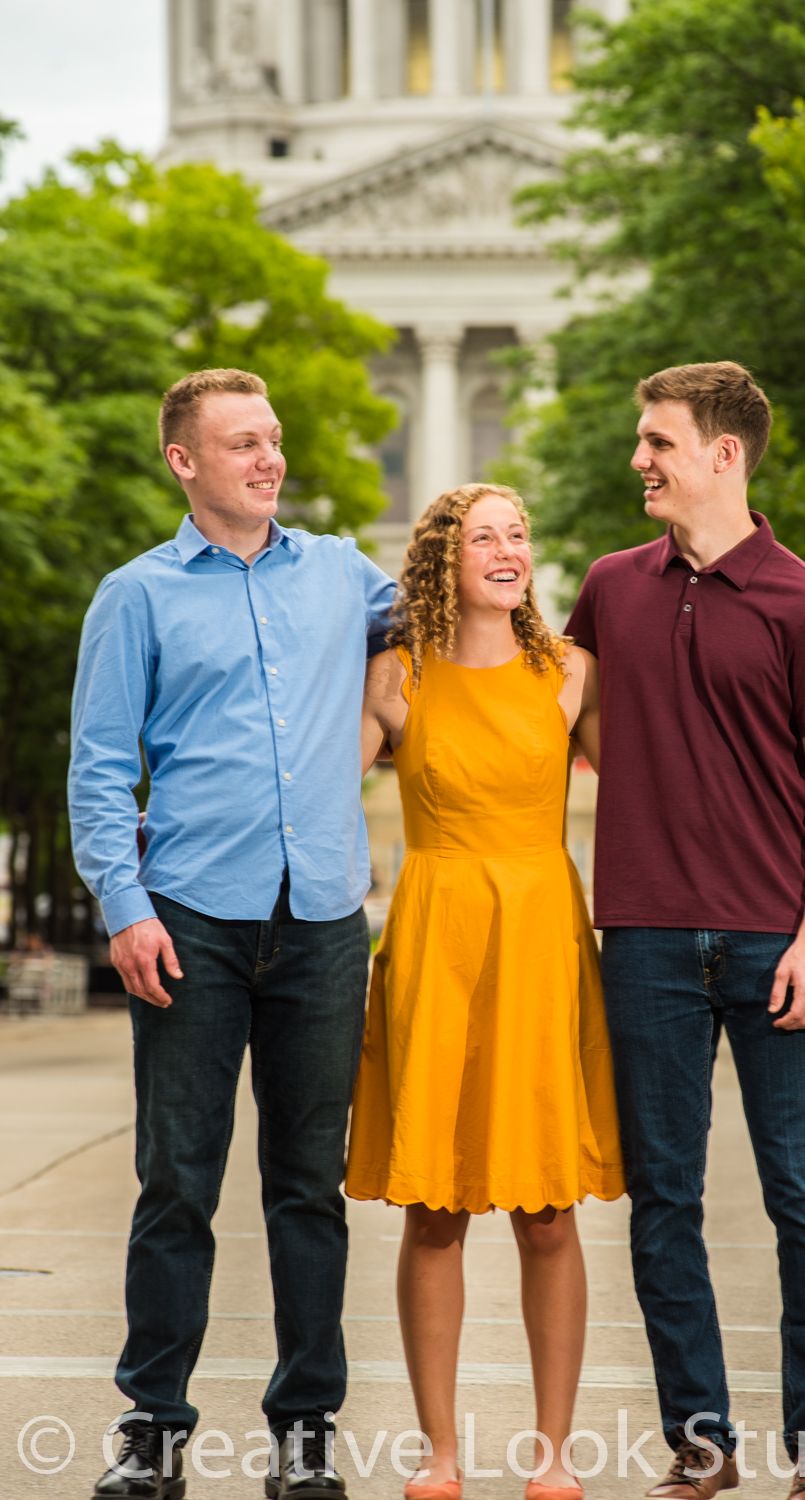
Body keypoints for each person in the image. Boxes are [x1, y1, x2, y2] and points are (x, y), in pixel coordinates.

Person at [69, 368, 396, 1500]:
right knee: (177, 1184)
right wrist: (125, 907)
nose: (268, 460)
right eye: (242, 444)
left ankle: (304, 1429)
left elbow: (446, 612)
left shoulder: (342, 574)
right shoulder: (137, 595)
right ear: (184, 462)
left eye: (272, 441)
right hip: (190, 924)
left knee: (308, 1187)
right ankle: (152, 1431)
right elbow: (102, 768)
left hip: (319, 923)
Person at [565, 363, 805, 1500]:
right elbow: (560, 723)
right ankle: (701, 1444)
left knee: (803, 1196)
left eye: (657, 442)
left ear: (723, 454)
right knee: (663, 1202)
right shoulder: (608, 586)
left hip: (768, 942)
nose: (638, 460)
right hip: (641, 937)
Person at [345, 484, 625, 1500]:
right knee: (435, 1210)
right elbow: (314, 788)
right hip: (435, 939)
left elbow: (659, 777)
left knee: (548, 1210)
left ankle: (551, 1453)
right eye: (483, 537)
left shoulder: (570, 673)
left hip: (540, 940)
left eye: (517, 535)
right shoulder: (393, 677)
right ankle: (440, 1452)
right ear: (439, 560)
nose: (506, 551)